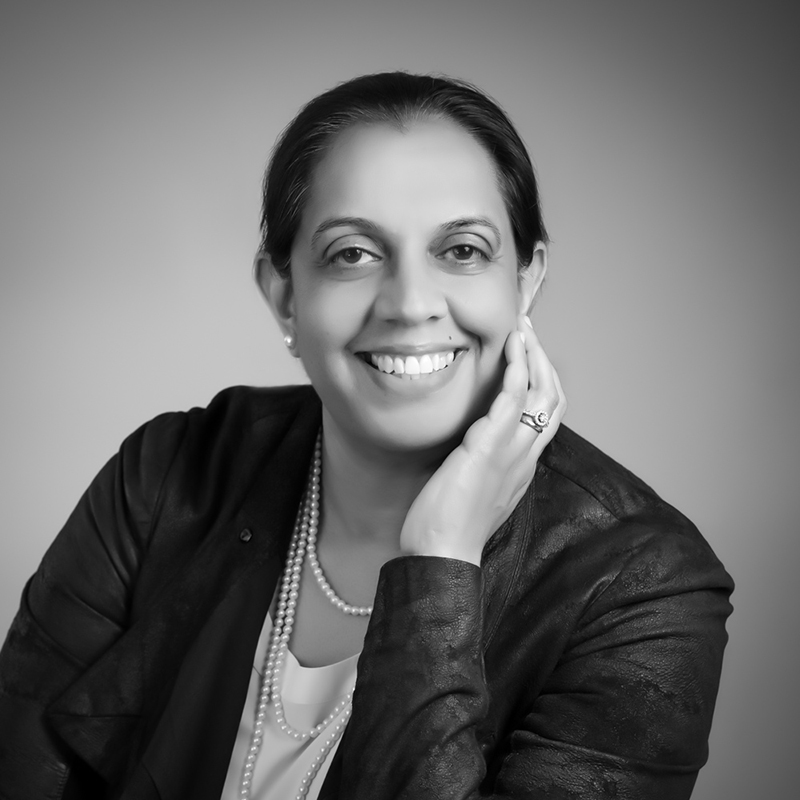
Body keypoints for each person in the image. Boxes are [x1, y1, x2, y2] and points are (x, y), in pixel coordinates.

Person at [0, 72, 733, 800]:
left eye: (463, 250)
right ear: (285, 294)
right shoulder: (165, 476)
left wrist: (440, 562)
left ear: (527, 279)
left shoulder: (645, 585)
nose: (411, 304)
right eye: (353, 253)